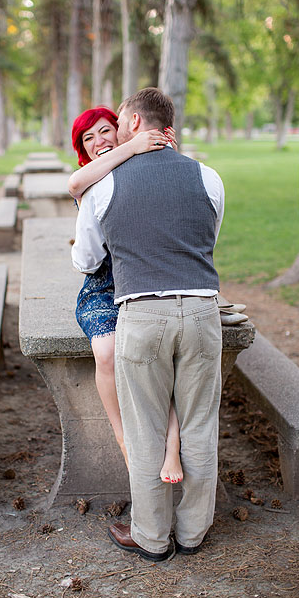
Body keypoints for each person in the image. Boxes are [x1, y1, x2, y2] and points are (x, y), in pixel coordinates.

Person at [72, 87, 225, 561]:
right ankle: (194, 532)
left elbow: (87, 259)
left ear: (135, 124)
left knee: (144, 430)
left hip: (142, 313)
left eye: (118, 122)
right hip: (202, 310)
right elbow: (208, 238)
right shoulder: (208, 176)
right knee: (200, 424)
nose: (114, 132)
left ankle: (152, 538)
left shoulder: (104, 186)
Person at [68, 106, 184, 485]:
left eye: (105, 131)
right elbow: (73, 187)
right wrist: (131, 147)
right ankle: (123, 437)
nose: (99, 140)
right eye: (89, 137)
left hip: (149, 278)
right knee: (107, 350)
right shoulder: (92, 179)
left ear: (120, 130)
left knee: (156, 351)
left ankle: (171, 446)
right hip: (104, 286)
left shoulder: (141, 167)